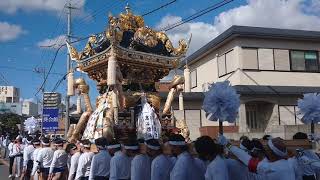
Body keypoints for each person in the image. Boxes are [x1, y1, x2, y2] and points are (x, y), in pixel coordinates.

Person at [220, 135, 296, 180]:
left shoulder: (270, 167)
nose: (267, 150)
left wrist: (228, 145)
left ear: (272, 153)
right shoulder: (290, 163)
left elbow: (248, 160)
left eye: (268, 149)